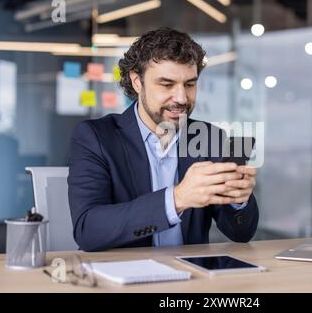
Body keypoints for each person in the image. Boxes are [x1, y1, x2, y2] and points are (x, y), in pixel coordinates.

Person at [68, 27, 259, 252]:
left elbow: (241, 233)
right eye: (167, 85)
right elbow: (87, 230)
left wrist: (238, 199)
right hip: (123, 279)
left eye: (189, 84)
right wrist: (176, 199)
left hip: (191, 278)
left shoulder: (209, 137)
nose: (181, 98)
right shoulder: (95, 137)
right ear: (137, 82)